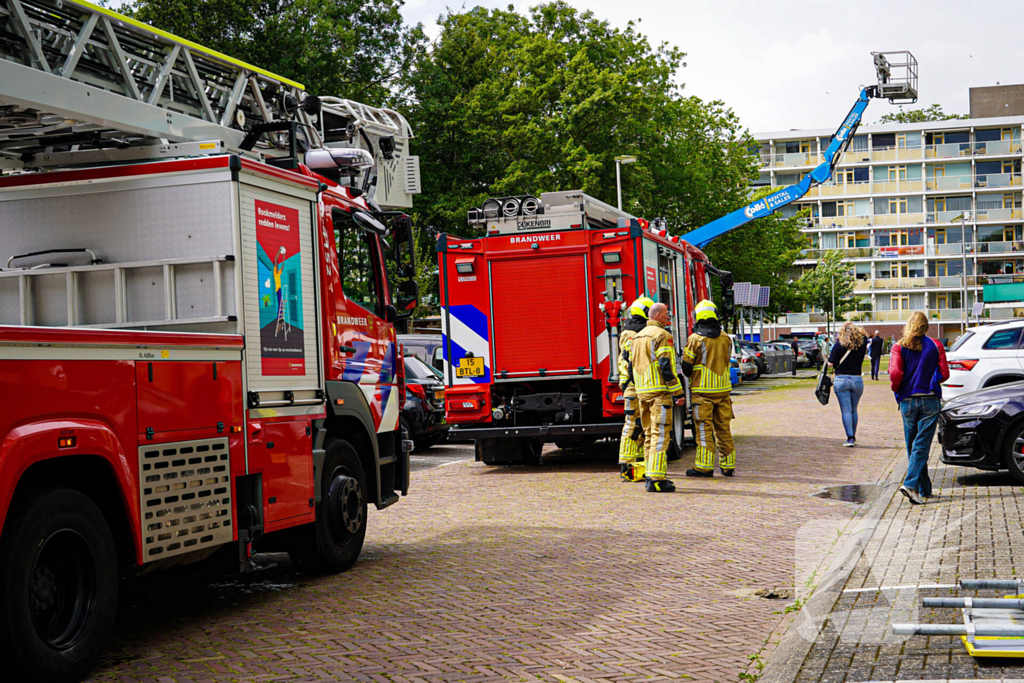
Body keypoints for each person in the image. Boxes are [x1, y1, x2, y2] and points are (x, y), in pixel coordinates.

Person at [889, 312, 949, 505]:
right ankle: (913, 485)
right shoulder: (936, 345)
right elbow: (944, 373)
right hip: (930, 399)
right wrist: (932, 381)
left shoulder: (898, 346)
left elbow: (896, 373)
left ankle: (921, 488)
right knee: (921, 445)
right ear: (926, 326)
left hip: (907, 400)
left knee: (913, 445)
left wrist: (898, 390)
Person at [627, 302, 685, 493]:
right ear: (658, 315)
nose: (669, 317)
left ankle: (649, 474)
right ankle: (657, 479)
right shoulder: (662, 335)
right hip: (659, 393)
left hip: (643, 394)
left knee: (649, 436)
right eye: (667, 314)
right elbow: (666, 367)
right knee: (660, 435)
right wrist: (678, 392)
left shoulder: (636, 337)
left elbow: (630, 368)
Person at [681, 300, 736, 477]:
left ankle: (704, 467)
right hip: (723, 391)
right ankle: (728, 466)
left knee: (704, 430)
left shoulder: (695, 339)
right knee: (723, 429)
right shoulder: (726, 338)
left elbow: (687, 367)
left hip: (702, 392)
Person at [617, 296, 654, 482]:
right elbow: (631, 360)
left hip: (636, 385)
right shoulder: (632, 333)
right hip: (634, 386)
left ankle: (636, 461)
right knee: (632, 424)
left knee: (640, 424)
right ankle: (626, 462)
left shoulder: (633, 330)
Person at [829, 323, 868, 447]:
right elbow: (865, 335)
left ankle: (850, 437)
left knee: (846, 410)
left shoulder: (838, 346)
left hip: (841, 379)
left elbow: (830, 363)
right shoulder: (861, 345)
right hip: (857, 379)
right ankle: (853, 435)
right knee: (853, 409)